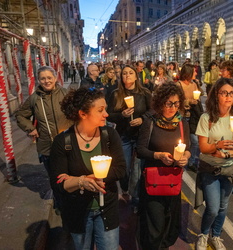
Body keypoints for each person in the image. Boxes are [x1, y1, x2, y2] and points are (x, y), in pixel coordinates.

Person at [49, 87, 126, 250]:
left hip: (107, 209)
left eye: (105, 109)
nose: (106, 114)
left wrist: (84, 178)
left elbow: (120, 169)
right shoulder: (63, 142)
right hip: (77, 212)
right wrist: (81, 182)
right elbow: (58, 182)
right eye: (100, 110)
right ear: (83, 114)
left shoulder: (109, 135)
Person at [195, 78, 233, 250]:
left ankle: (216, 235)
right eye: (224, 93)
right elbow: (203, 148)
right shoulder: (207, 118)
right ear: (216, 96)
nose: (228, 96)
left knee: (223, 206)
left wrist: (229, 153)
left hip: (231, 169)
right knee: (212, 207)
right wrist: (217, 146)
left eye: (231, 93)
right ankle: (203, 233)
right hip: (211, 169)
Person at [137, 82, 191, 249]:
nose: (173, 107)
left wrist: (186, 157)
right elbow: (140, 149)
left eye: (176, 103)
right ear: (160, 102)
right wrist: (158, 155)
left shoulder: (182, 123)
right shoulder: (150, 122)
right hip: (153, 180)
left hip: (173, 180)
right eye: (169, 103)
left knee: (170, 223)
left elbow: (188, 148)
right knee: (155, 224)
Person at [16, 66, 72, 210]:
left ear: (55, 78)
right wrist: (31, 129)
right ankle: (61, 205)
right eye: (43, 78)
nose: (46, 81)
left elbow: (77, 113)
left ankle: (73, 204)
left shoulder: (66, 94)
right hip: (47, 146)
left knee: (71, 175)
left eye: (49, 78)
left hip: (68, 144)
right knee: (55, 178)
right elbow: (21, 115)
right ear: (38, 80)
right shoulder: (35, 98)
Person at [107, 65, 152, 210]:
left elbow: (153, 110)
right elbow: (109, 114)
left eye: (130, 73)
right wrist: (122, 115)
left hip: (140, 136)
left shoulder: (144, 93)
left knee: (138, 169)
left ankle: (136, 198)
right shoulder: (116, 94)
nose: (127, 75)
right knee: (124, 168)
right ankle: (125, 188)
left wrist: (142, 119)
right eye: (124, 73)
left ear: (136, 76)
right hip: (124, 135)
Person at [177, 63, 203, 171]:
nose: (196, 73)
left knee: (195, 141)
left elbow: (199, 98)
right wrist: (188, 102)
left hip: (193, 117)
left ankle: (191, 161)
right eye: (194, 71)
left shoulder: (194, 84)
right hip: (181, 116)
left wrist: (197, 99)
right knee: (181, 141)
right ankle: (178, 160)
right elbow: (176, 101)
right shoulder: (178, 85)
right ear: (188, 73)